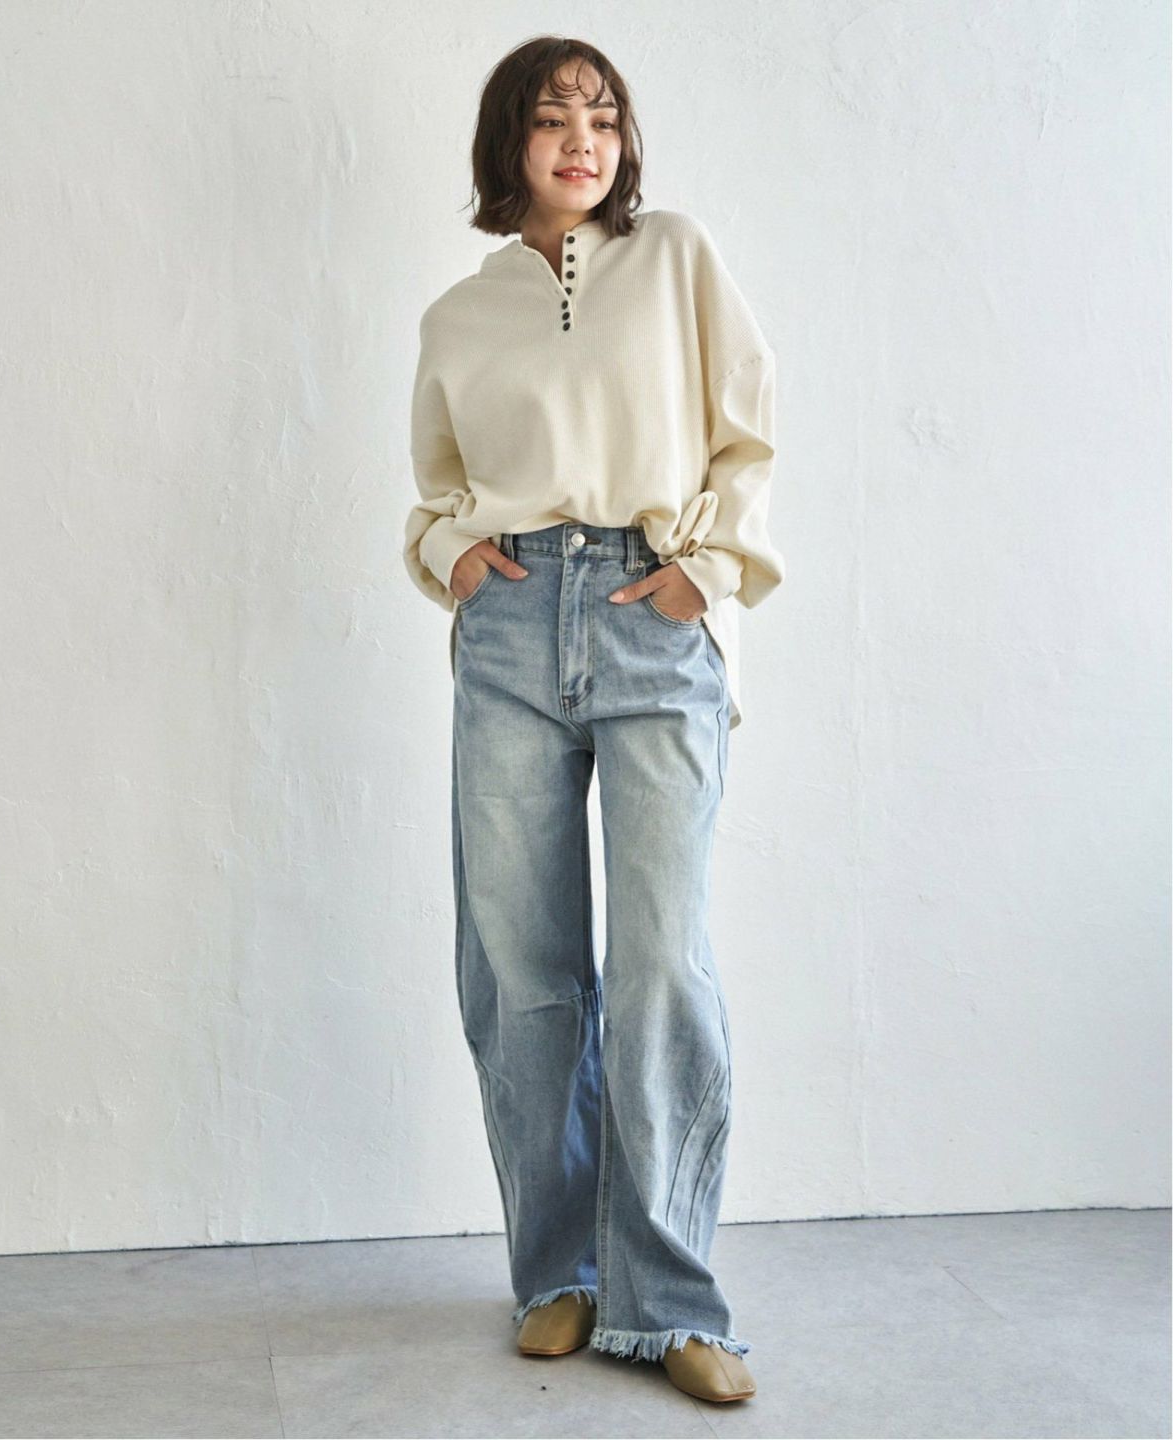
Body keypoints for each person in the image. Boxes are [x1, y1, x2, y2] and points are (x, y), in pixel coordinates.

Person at [402, 36, 784, 1406]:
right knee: (523, 970)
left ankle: (668, 1297)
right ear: (509, 140)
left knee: (664, 962)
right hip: (510, 629)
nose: (583, 138)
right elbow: (435, 488)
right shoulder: (460, 315)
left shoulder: (675, 257)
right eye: (556, 116)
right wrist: (449, 555)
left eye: (605, 117)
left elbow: (746, 432)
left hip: (651, 610)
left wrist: (707, 572)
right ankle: (558, 1274)